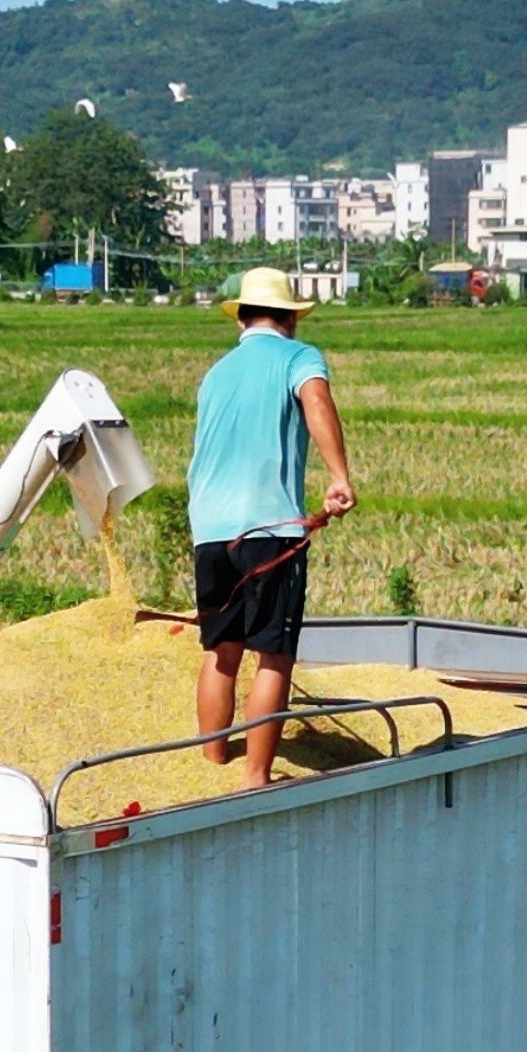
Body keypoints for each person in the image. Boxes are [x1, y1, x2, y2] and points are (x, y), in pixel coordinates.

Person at [185, 265, 357, 788]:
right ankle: (257, 776)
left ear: (241, 318)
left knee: (222, 650)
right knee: (274, 653)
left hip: (210, 531)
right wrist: (339, 476)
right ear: (289, 318)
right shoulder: (298, 357)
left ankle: (214, 757)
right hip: (269, 529)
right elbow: (317, 402)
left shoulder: (216, 373)